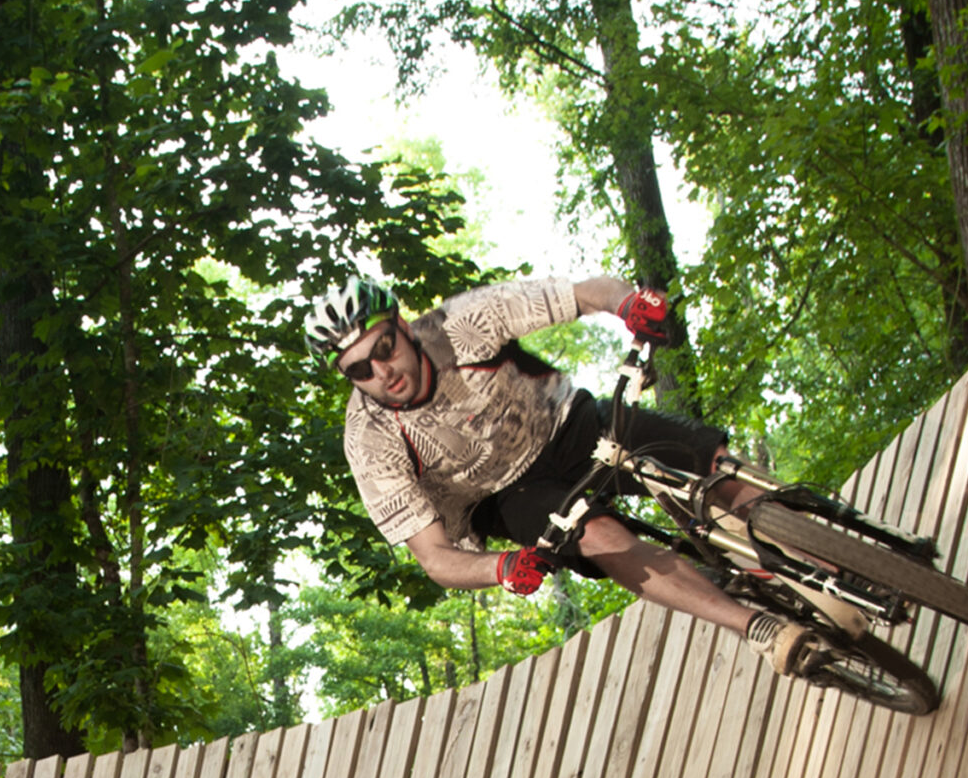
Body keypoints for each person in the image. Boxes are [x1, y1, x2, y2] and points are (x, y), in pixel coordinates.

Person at [307, 274, 817, 676]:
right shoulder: (370, 441)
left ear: (403, 326)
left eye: (384, 347)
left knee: (710, 465)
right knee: (599, 537)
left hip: (567, 422)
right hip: (503, 494)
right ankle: (760, 629)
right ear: (348, 378)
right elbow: (435, 558)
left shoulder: (462, 322)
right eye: (359, 370)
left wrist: (628, 305)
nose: (383, 371)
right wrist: (500, 568)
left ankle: (823, 554)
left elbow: (585, 292)